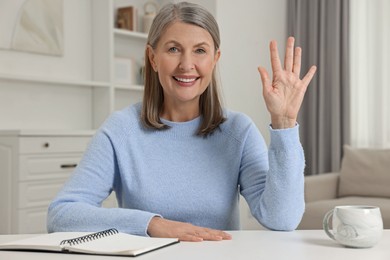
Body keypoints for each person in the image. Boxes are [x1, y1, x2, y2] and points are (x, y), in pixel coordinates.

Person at [47, 2, 317, 242]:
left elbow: (282, 220)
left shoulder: (238, 131)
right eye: (174, 49)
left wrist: (284, 123)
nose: (187, 64)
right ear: (153, 58)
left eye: (200, 50)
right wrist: (152, 224)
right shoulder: (120, 130)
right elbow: (62, 214)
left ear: (215, 59)